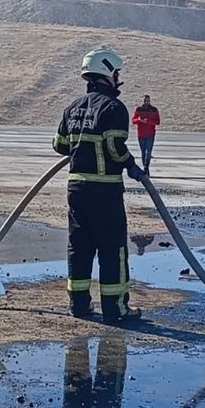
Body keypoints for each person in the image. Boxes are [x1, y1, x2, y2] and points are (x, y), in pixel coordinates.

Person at [52, 47, 145, 324]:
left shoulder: (73, 107)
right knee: (111, 248)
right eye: (116, 73)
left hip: (76, 190)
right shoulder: (114, 108)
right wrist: (130, 164)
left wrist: (82, 147)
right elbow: (115, 147)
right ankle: (116, 309)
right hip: (104, 191)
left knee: (79, 247)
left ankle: (79, 305)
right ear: (107, 74)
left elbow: (59, 145)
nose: (118, 79)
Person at [130, 94, 161, 173]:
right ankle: (144, 166)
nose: (146, 102)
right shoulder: (139, 109)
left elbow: (157, 122)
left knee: (148, 152)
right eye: (145, 100)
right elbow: (133, 121)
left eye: (147, 101)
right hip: (141, 134)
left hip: (150, 134)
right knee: (143, 152)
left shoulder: (154, 110)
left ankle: (146, 167)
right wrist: (139, 120)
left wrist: (148, 121)